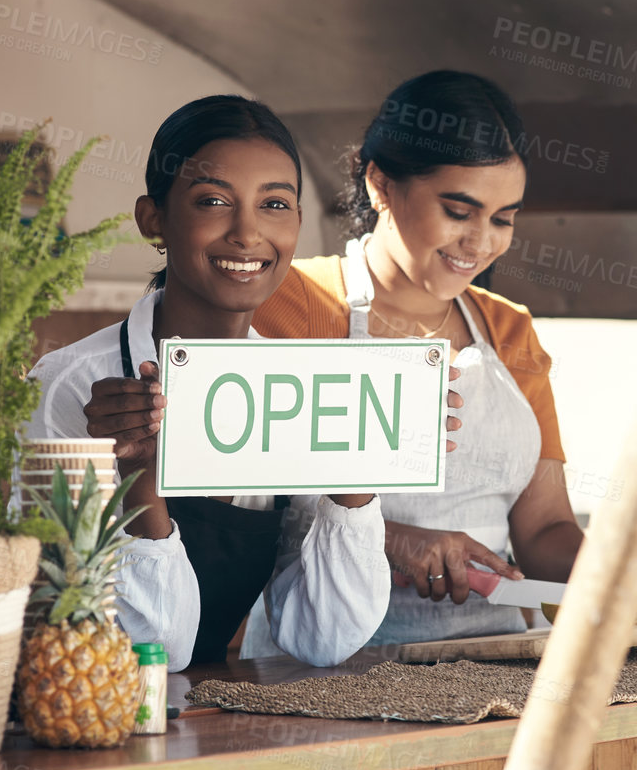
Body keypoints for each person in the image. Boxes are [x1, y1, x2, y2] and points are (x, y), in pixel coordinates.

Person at [249, 70, 637, 650]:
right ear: (380, 184)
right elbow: (247, 514)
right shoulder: (289, 307)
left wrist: (610, 573)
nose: (480, 242)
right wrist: (397, 539)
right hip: (324, 664)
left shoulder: (509, 330)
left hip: (495, 659)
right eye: (459, 210)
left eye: (503, 219)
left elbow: (544, 527)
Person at [25, 96, 440, 670]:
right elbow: (137, 653)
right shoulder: (68, 389)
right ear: (154, 219)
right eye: (213, 201)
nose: (248, 233)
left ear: (297, 222)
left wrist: (357, 474)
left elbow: (324, 639)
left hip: (215, 727)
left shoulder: (296, 394)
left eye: (274, 204)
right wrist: (139, 483)